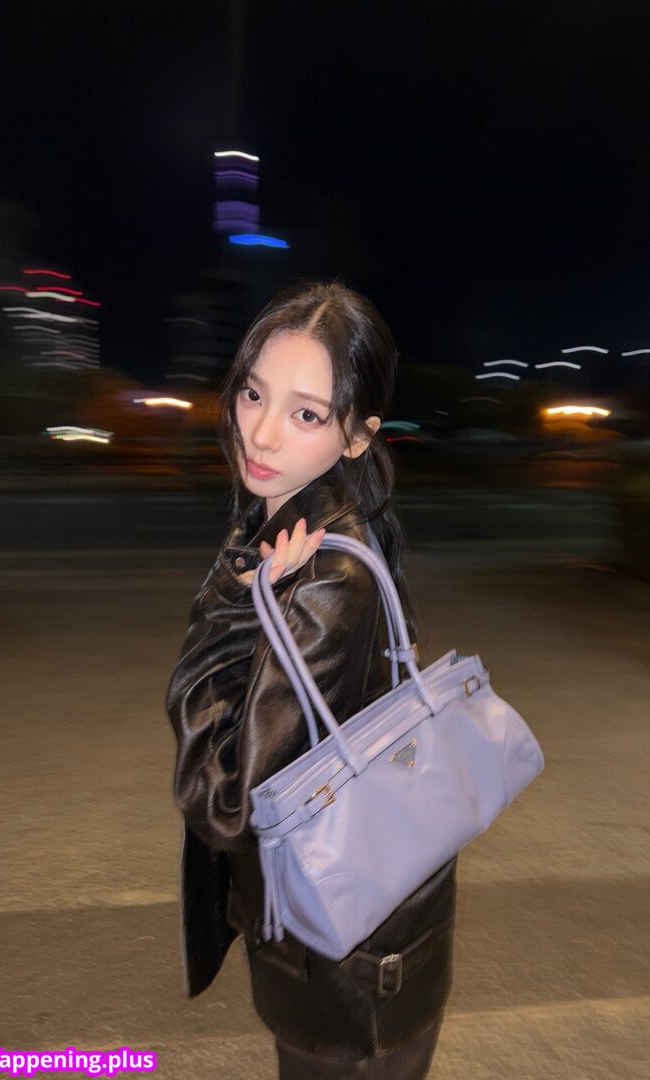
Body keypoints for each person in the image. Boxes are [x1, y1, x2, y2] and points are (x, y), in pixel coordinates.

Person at [166, 282, 456, 1079]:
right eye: (253, 393)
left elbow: (224, 801)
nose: (259, 432)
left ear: (357, 436)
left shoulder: (326, 577)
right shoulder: (302, 527)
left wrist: (230, 607)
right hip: (365, 939)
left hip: (346, 977)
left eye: (306, 414)